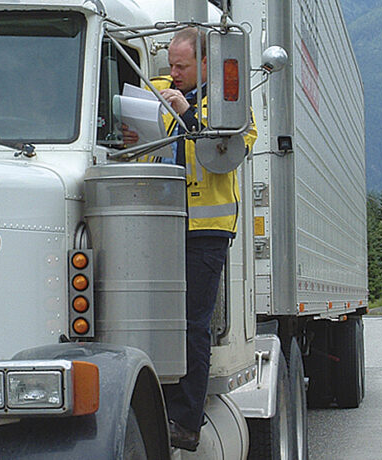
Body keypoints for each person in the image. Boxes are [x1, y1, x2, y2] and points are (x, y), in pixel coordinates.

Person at [125, 27, 257, 451]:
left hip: (205, 230)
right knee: (156, 320)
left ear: (205, 63)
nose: (174, 73)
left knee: (192, 324)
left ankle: (186, 421)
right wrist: (132, 140)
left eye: (182, 66)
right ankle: (157, 406)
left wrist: (188, 117)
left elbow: (230, 151)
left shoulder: (228, 103)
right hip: (159, 225)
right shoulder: (158, 91)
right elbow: (149, 147)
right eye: (172, 65)